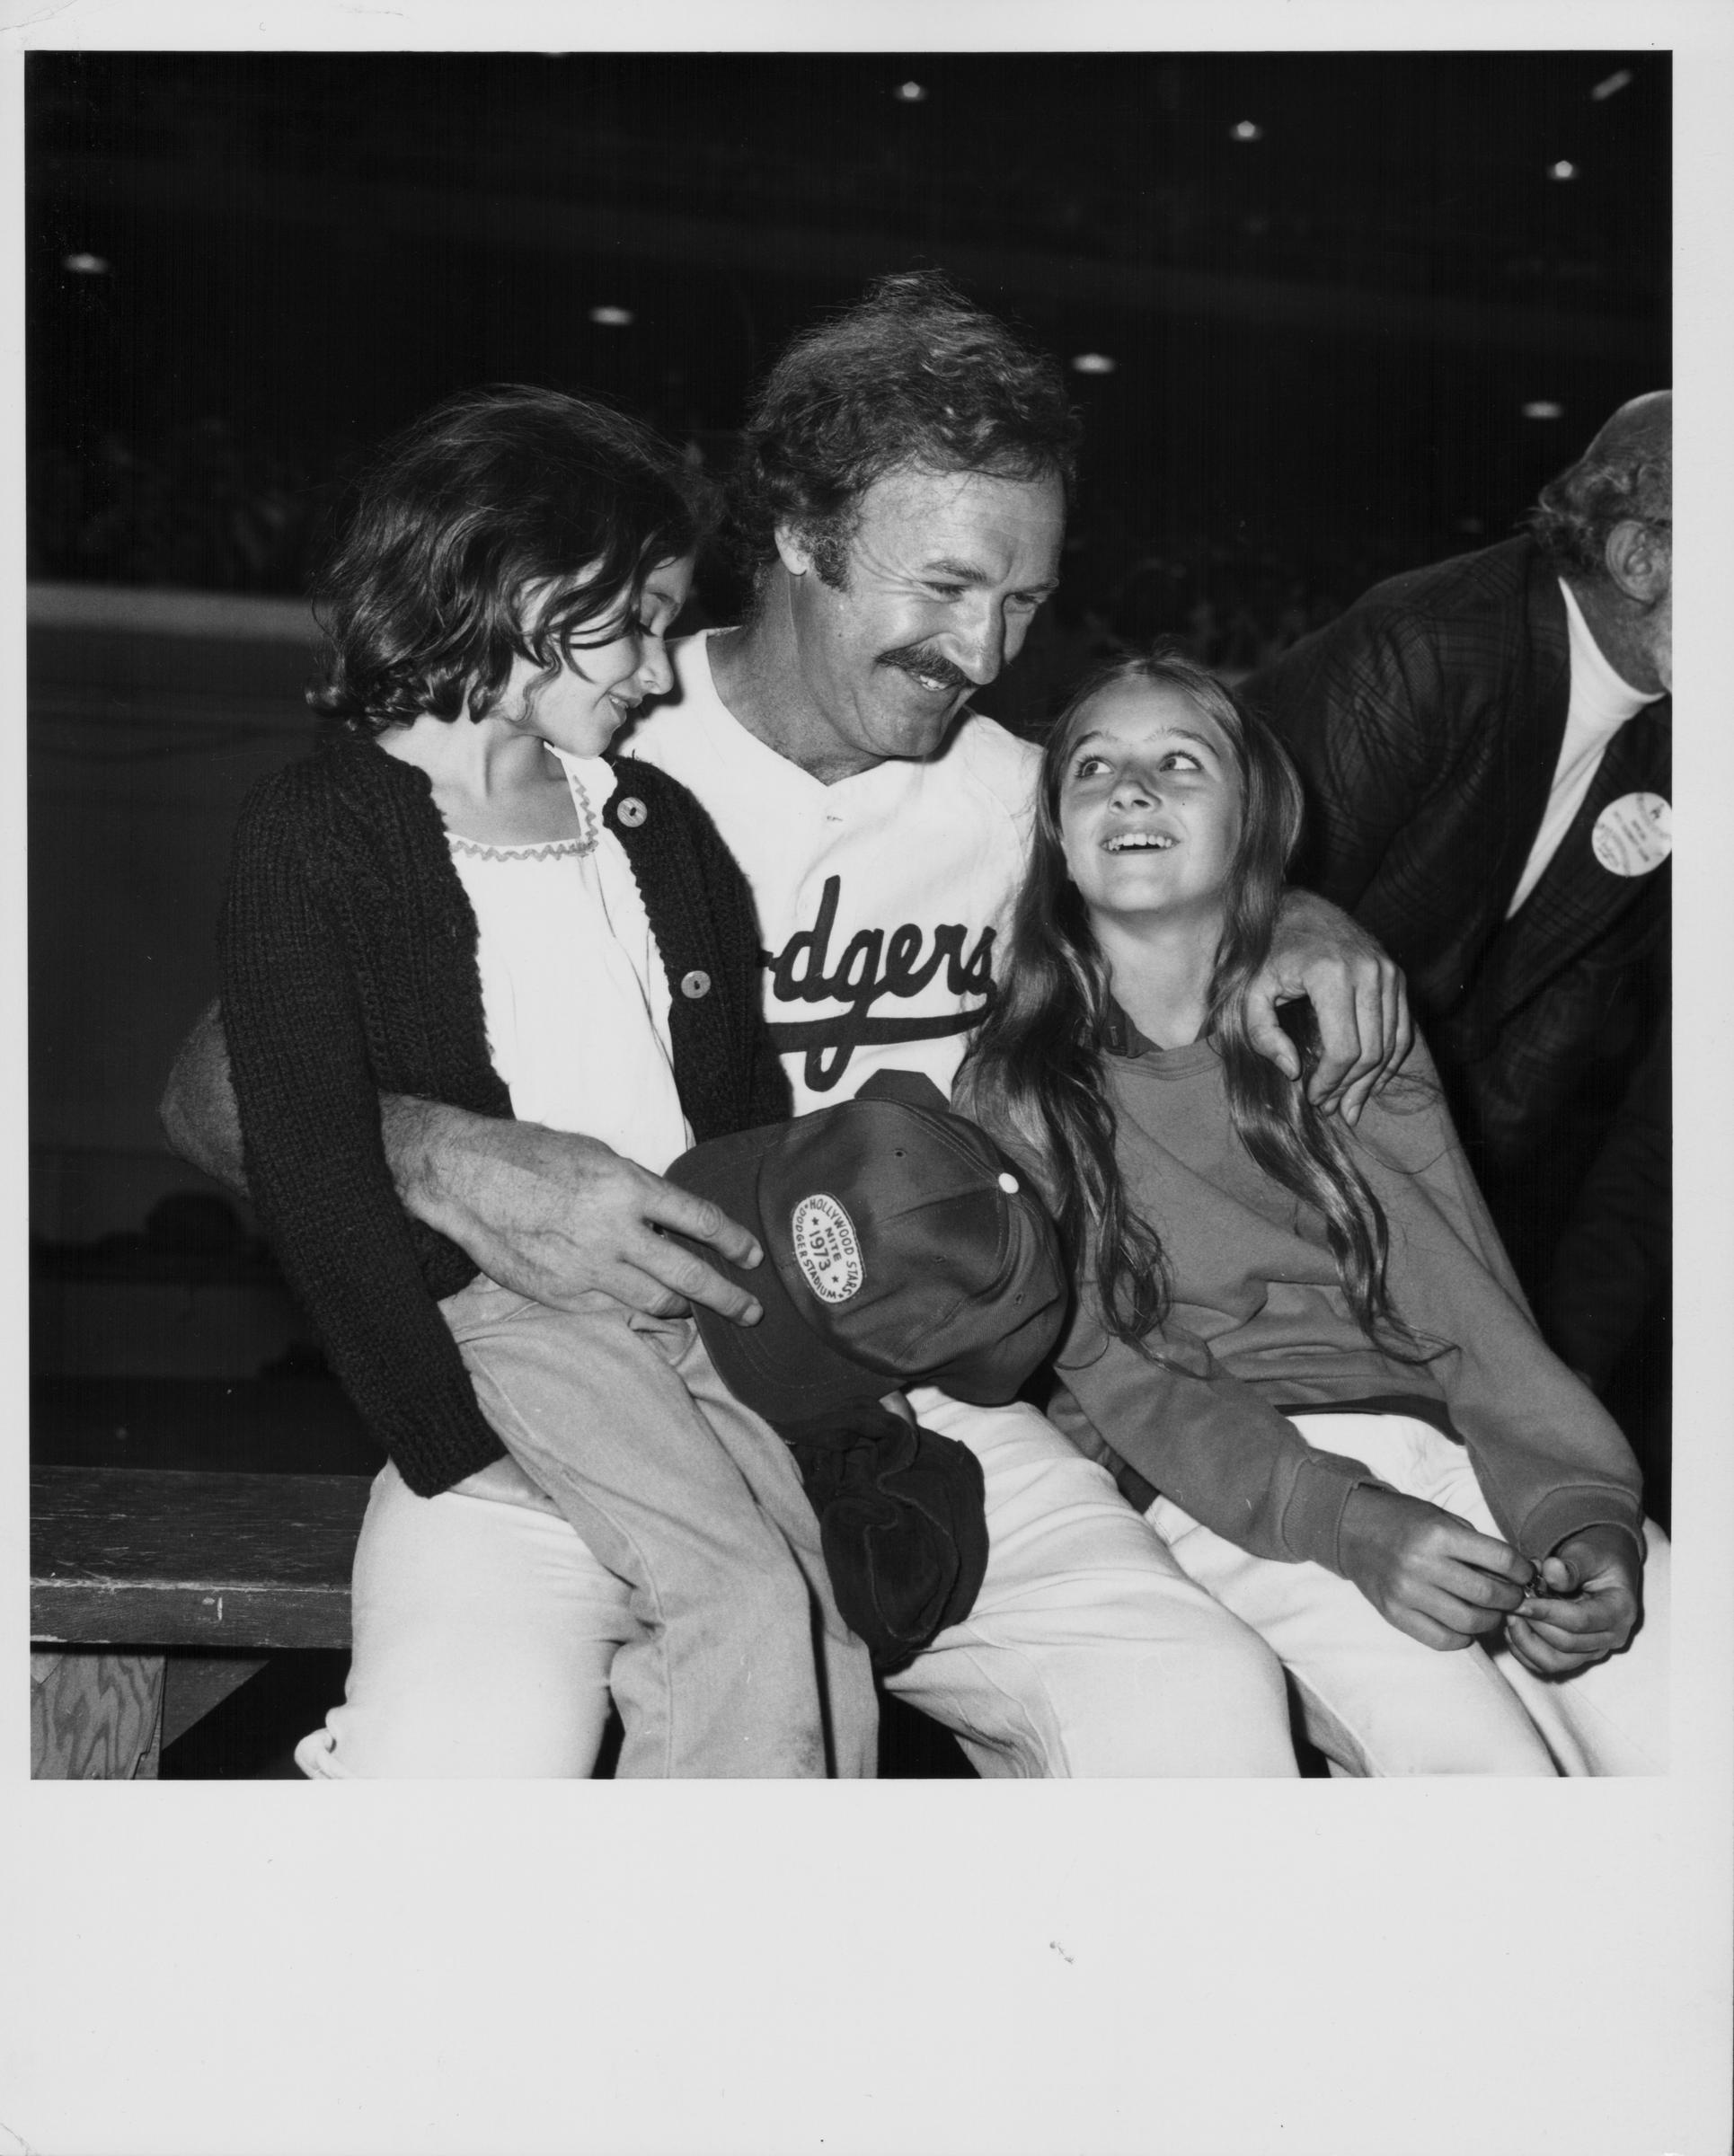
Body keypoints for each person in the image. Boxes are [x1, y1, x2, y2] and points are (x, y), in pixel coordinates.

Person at [163, 272, 1407, 1779]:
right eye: (945, 587)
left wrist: (1317, 928)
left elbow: (1232, 901)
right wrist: (445, 1152)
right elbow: (214, 1087)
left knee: (1194, 1704)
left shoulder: (1035, 799)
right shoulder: (580, 728)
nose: (990, 646)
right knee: (465, 1759)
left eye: (1024, 597)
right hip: (549, 1378)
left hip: (896, 1410)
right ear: (803, 542)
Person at [217, 383, 879, 1778]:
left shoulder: (653, 821)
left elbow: (742, 1107)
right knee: (737, 1604)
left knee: (827, 1620)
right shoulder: (317, 832)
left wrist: (790, 1344)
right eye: (633, 620)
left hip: (692, 1303)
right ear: (513, 589)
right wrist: (446, 1442)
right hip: (517, 1315)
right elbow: (314, 1169)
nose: (658, 665)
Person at [959, 648, 1668, 1773]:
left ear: (1254, 824)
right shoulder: (1021, 1091)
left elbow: (1472, 1307)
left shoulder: (1338, 1018)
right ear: (1054, 832)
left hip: (1453, 1437)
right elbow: (1135, 1381)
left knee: (1681, 1727)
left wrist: (1580, 1511)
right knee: (1486, 1777)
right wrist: (1351, 1522)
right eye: (1092, 768)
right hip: (1247, 1490)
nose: (1130, 788)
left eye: (1178, 763)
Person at [1242, 395, 1672, 1374]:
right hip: (1255, 1153)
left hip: (1415, 1181)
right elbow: (1224, 920)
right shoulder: (1428, 645)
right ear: (1640, 560)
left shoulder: (1683, 730)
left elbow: (1546, 1039)